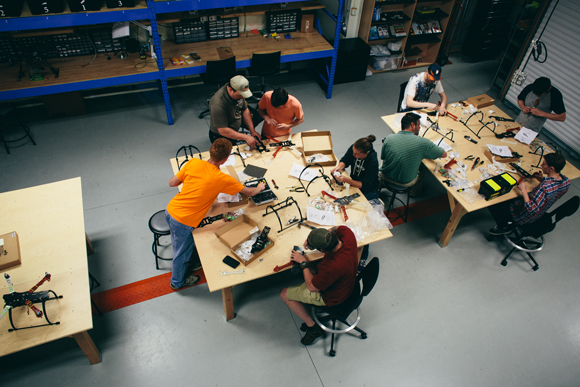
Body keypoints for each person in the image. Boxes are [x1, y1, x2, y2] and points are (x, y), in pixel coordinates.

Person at [165, 138, 265, 290]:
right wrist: (260, 187)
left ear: (211, 151)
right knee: (181, 253)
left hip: (171, 209)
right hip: (183, 221)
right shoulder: (221, 179)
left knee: (179, 242)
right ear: (225, 159)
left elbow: (172, 183)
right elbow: (250, 192)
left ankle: (189, 261)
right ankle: (177, 282)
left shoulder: (193, 162)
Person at [280, 226, 358, 345]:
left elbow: (312, 287)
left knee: (284, 294)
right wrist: (314, 238)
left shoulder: (332, 267)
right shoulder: (348, 234)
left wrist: (304, 263)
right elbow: (336, 229)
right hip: (348, 284)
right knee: (312, 271)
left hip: (331, 297)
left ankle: (313, 327)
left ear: (321, 250)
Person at [488, 152, 570, 235]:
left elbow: (531, 209)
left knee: (494, 202)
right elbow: (553, 190)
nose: (541, 165)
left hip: (524, 217)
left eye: (544, 164)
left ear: (551, 168)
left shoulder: (544, 187)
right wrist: (542, 179)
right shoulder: (566, 181)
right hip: (540, 213)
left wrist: (523, 190)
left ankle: (503, 227)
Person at [379, 112, 447, 197]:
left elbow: (383, 157)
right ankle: (414, 192)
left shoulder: (389, 138)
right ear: (412, 125)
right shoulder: (423, 142)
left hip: (385, 175)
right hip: (405, 182)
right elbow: (443, 154)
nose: (419, 128)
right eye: (418, 125)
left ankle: (380, 184)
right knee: (422, 168)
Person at [208, 75, 263, 148]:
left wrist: (252, 131)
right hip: (221, 136)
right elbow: (223, 130)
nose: (242, 98)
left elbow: (245, 109)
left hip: (233, 129)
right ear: (230, 89)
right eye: (240, 95)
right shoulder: (217, 104)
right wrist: (246, 137)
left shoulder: (238, 93)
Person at [330, 135, 380, 200]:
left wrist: (347, 180)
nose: (353, 155)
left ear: (366, 153)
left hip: (368, 190)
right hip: (354, 183)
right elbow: (345, 160)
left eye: (356, 154)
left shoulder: (372, 162)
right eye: (353, 152)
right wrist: (339, 167)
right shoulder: (355, 149)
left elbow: (365, 186)